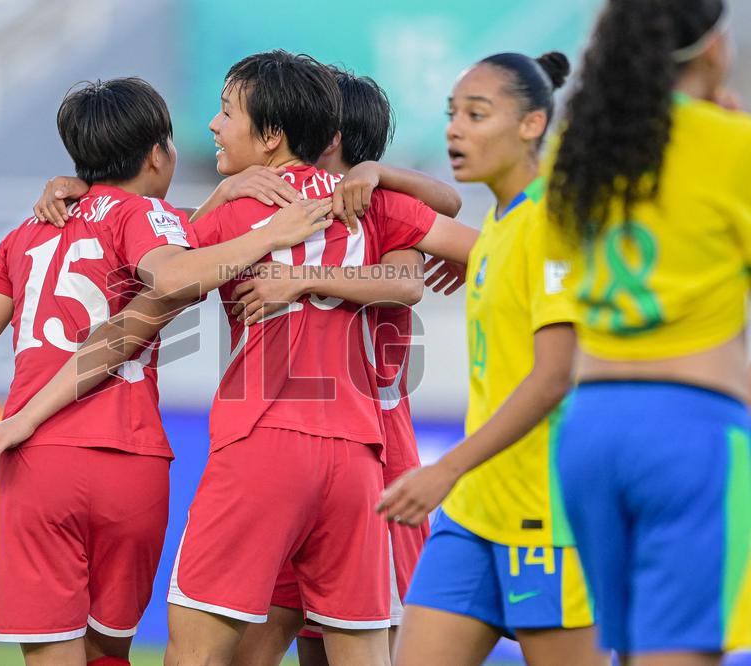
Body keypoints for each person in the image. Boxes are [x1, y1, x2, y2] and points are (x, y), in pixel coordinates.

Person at [0, 50, 479, 666]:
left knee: (199, 655)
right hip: (361, 458)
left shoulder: (243, 215)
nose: (213, 125)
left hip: (262, 445)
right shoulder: (372, 208)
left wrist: (27, 416)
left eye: (225, 112)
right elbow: (480, 249)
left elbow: (134, 319)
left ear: (272, 135)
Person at [0, 77, 330, 666]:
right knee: (109, 650)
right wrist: (266, 231)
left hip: (37, 458)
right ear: (158, 154)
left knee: (54, 650)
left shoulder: (25, 235)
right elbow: (174, 267)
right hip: (129, 461)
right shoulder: (147, 219)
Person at [222, 67, 463, 666]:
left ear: (326, 135)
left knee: (347, 643)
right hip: (313, 453)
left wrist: (373, 177)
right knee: (301, 641)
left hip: (371, 458)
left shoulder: (377, 211)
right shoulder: (283, 209)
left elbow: (415, 274)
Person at [377, 52, 607, 666]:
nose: (455, 129)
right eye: (453, 114)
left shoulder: (554, 220)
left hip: (546, 512)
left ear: (532, 124)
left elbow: (555, 374)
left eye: (477, 114)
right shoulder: (499, 229)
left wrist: (445, 468)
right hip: (475, 511)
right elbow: (446, 218)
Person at [546, 1, 750, 663]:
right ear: (713, 49)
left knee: (629, 652)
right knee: (679, 652)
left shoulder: (578, 149)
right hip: (693, 429)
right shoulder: (733, 145)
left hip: (589, 428)